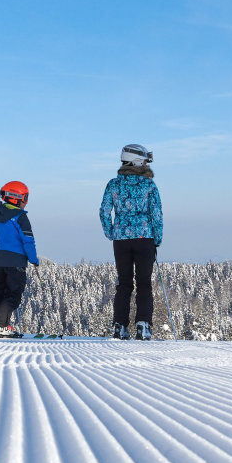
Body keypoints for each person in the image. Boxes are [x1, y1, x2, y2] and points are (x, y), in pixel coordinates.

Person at [99, 143, 162, 339]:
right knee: (144, 283)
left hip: (121, 240)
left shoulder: (113, 184)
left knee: (124, 283)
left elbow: (104, 211)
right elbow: (156, 214)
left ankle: (120, 325)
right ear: (136, 160)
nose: (146, 163)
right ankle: (143, 325)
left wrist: (112, 233)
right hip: (145, 239)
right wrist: (157, 240)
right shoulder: (148, 185)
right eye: (144, 160)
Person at [0, 181, 39, 338]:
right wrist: (33, 259)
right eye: (26, 197)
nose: (26, 201)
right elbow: (28, 241)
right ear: (16, 197)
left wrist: (2, 253)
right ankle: (0, 326)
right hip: (16, 262)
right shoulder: (21, 218)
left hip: (0, 261)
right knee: (13, 295)